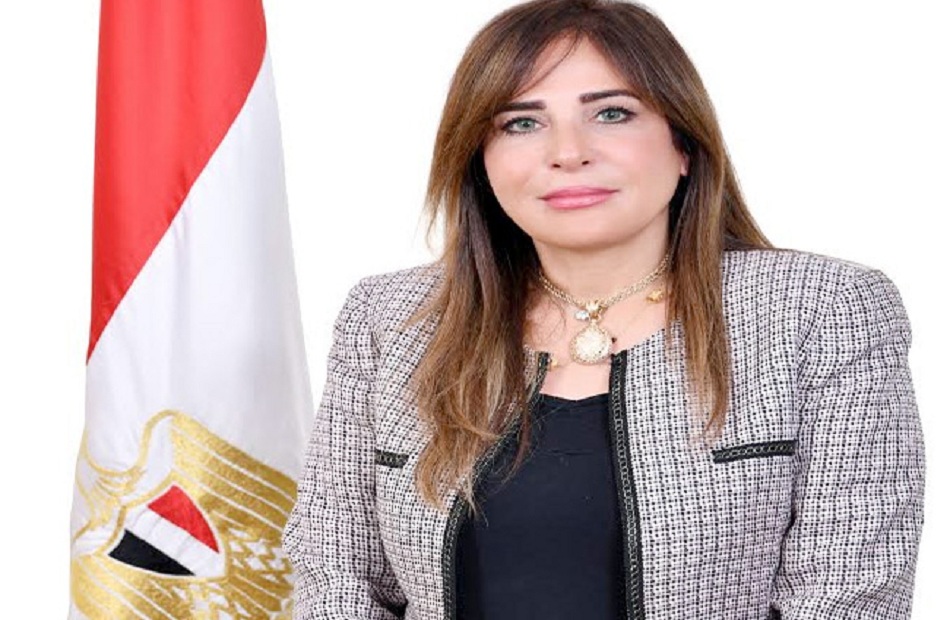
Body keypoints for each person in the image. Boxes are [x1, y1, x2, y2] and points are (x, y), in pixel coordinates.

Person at [282, 0, 925, 618]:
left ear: (683, 145)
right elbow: (335, 570)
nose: (568, 152)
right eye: (521, 123)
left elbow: (852, 591)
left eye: (611, 113)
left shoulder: (820, 310)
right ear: (480, 161)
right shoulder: (390, 319)